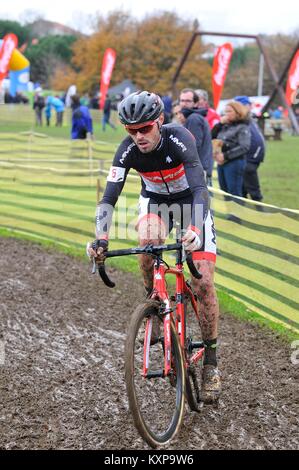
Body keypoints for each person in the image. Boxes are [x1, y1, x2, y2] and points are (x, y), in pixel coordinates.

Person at [88, 91, 221, 403]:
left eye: (144, 128)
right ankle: (153, 301)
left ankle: (211, 364)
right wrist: (101, 238)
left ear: (159, 121)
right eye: (130, 131)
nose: (138, 136)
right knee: (147, 241)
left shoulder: (179, 138)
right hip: (155, 203)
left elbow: (201, 188)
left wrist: (193, 228)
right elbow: (109, 199)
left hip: (191, 202)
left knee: (202, 281)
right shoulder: (126, 152)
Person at [212, 101, 251, 197]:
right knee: (224, 192)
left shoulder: (243, 127)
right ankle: (230, 212)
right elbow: (212, 136)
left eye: (229, 111)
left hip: (234, 162)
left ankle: (235, 212)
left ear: (238, 112)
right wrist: (219, 124)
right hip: (221, 162)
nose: (226, 114)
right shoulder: (225, 126)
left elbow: (244, 146)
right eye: (225, 112)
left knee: (234, 193)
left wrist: (225, 155)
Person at [179, 89, 213, 185]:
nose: (184, 104)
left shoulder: (194, 118)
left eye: (188, 101)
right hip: (197, 167)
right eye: (182, 100)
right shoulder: (192, 117)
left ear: (196, 103)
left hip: (197, 169)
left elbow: (193, 146)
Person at [234, 96, 265, 201]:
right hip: (248, 159)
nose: (250, 107)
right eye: (247, 105)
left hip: (252, 158)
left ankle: (255, 211)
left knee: (247, 186)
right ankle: (259, 212)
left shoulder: (249, 119)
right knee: (250, 187)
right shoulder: (241, 121)